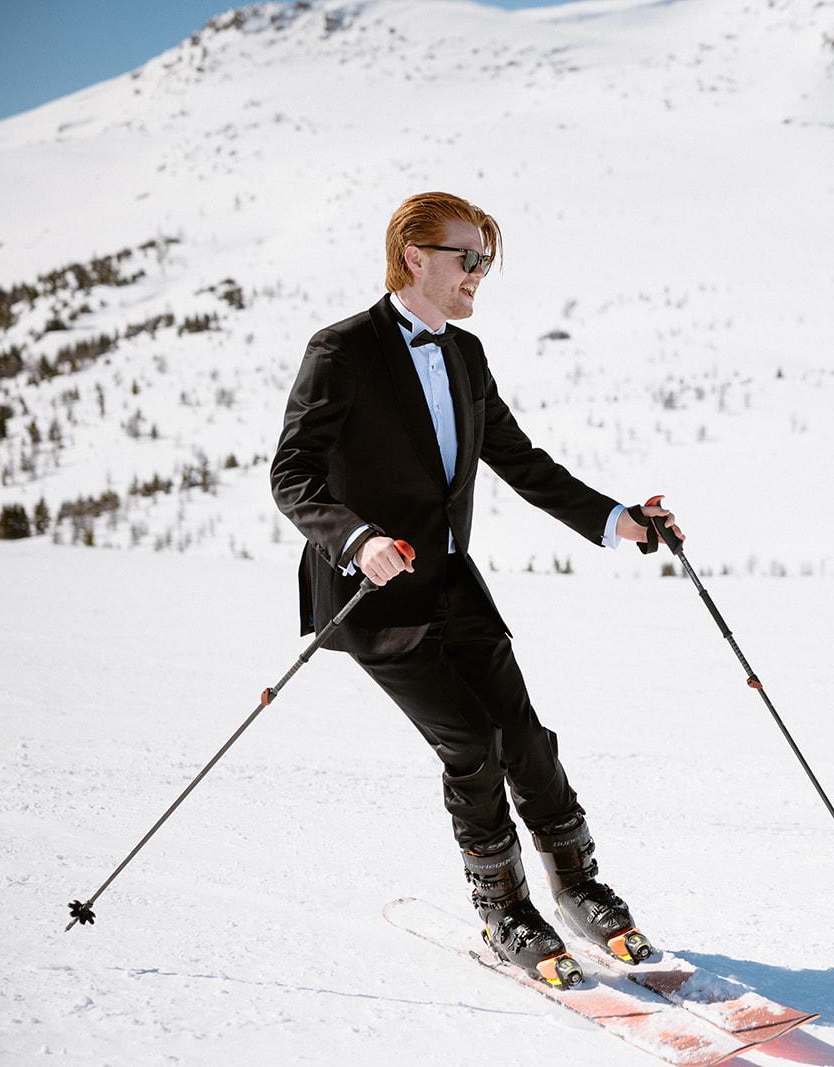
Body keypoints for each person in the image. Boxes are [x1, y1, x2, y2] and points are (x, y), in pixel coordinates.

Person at [271, 191, 681, 984]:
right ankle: (503, 907)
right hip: (370, 596)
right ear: (415, 256)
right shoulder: (342, 350)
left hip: (451, 582)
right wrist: (356, 538)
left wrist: (617, 520)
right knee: (470, 741)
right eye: (468, 256)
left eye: (486, 258)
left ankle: (577, 885)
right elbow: (292, 475)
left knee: (524, 736)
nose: (479, 273)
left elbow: (521, 462)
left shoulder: (465, 355)